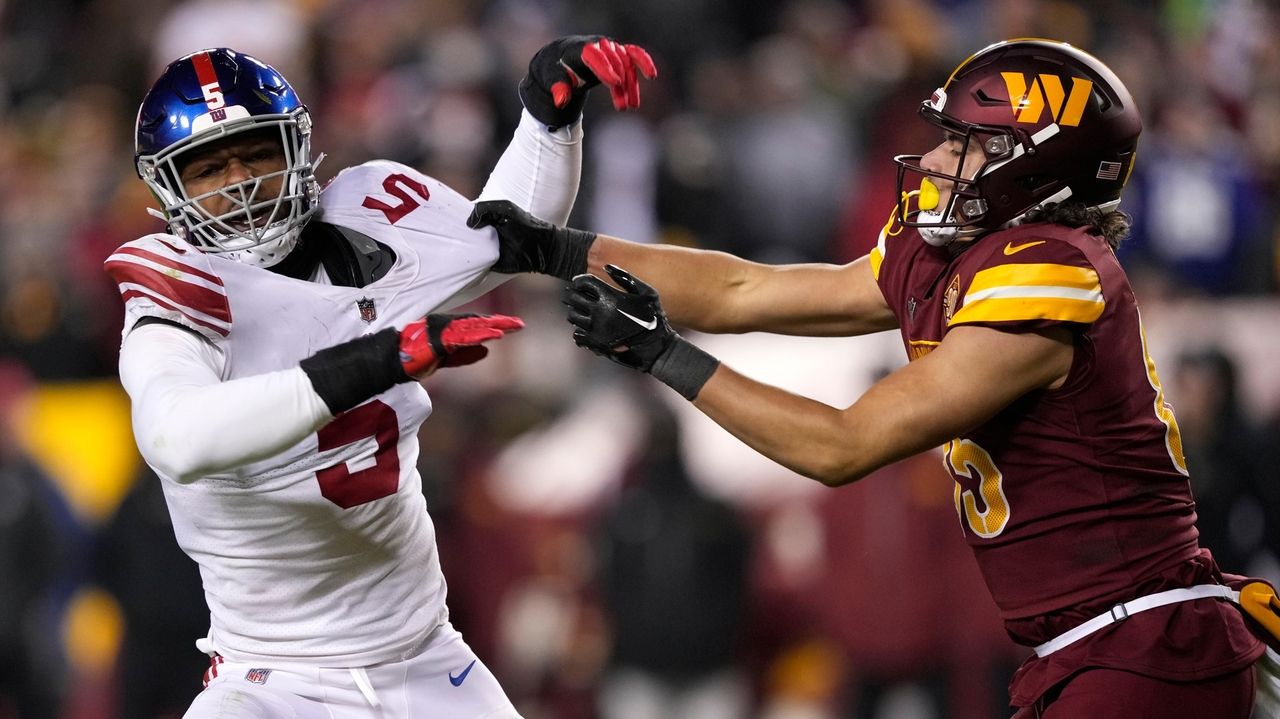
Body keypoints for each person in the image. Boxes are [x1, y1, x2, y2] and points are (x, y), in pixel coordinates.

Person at [467, 38, 1280, 717]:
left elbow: (845, 443)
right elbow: (745, 288)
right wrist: (556, 249)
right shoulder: (953, 253)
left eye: (966, 142)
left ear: (1041, 169)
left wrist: (662, 356)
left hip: (1139, 644)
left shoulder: (1050, 270)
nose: (934, 156)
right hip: (1094, 646)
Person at [105, 38, 655, 717]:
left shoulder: (365, 217)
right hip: (274, 679)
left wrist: (548, 122)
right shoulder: (176, 300)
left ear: (299, 148)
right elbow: (175, 437)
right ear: (167, 187)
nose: (241, 183)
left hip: (425, 657)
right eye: (209, 167)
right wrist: (375, 360)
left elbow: (508, 236)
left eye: (256, 152)